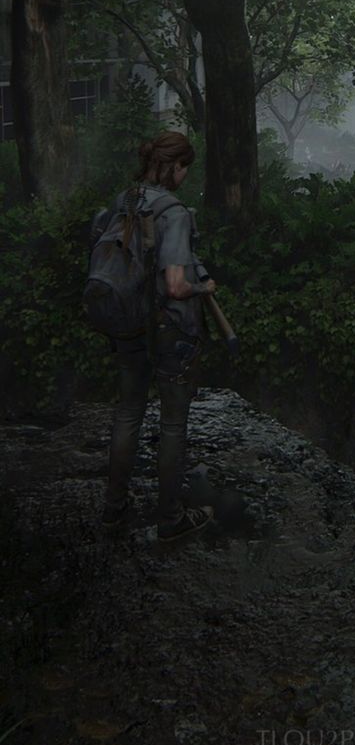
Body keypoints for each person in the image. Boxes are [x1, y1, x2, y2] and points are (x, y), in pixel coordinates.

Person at [100, 131, 216, 542]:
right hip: (170, 331)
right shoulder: (175, 212)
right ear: (176, 166)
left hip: (129, 324)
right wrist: (204, 288)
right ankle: (170, 520)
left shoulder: (125, 201)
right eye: (185, 167)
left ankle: (114, 509)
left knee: (128, 412)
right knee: (172, 424)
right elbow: (175, 285)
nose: (185, 175)